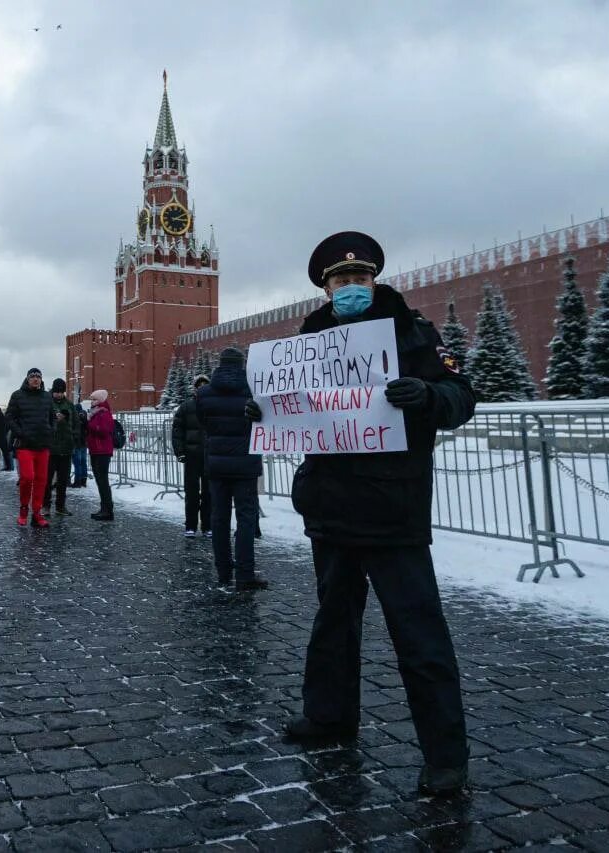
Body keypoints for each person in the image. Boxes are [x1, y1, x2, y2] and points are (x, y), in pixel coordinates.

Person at [251, 231, 475, 796]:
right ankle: (329, 716)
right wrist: (268, 407)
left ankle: (445, 756)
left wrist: (428, 397)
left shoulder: (411, 333)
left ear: (373, 281)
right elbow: (292, 409)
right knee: (333, 621)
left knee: (418, 633)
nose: (349, 287)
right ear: (325, 289)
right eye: (339, 281)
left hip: (393, 509)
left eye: (358, 278)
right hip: (331, 505)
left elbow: (460, 396)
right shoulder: (309, 342)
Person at [195, 351, 267, 590]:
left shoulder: (203, 394)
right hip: (246, 463)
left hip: (216, 464)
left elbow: (203, 423)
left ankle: (223, 572)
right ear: (242, 365)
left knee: (219, 518)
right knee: (246, 519)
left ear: (219, 365)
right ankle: (245, 574)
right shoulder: (253, 391)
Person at [5, 368, 54, 528]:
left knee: (42, 480)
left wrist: (51, 430)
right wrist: (20, 432)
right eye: (32, 376)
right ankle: (23, 509)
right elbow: (9, 417)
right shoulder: (17, 395)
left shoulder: (47, 396)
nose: (36, 379)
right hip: (25, 444)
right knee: (27, 477)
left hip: (43, 444)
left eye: (38, 376)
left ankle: (37, 513)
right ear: (27, 379)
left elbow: (52, 416)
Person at [171, 374, 211, 538]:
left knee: (209, 493)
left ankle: (208, 526)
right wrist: (180, 451)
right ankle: (191, 526)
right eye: (199, 386)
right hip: (192, 456)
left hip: (209, 456)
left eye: (204, 386)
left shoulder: (213, 407)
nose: (201, 389)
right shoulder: (186, 407)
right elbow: (177, 431)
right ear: (195, 389)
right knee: (192, 492)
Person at [44, 378, 75, 516]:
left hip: (66, 448)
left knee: (63, 480)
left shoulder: (69, 404)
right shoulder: (47, 403)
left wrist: (75, 438)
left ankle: (60, 506)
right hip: (50, 448)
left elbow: (76, 424)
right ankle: (45, 506)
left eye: (61, 392)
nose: (59, 394)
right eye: (56, 392)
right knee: (47, 479)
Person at [85, 389, 116, 521]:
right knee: (100, 481)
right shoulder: (94, 413)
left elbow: (103, 430)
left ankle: (107, 510)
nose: (92, 401)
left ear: (101, 400)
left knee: (103, 481)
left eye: (94, 399)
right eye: (91, 399)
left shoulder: (104, 413)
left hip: (102, 451)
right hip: (96, 450)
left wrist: (89, 423)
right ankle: (104, 508)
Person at [70, 401, 88, 487]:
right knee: (83, 462)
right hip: (84, 443)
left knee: (77, 463)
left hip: (77, 443)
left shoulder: (75, 418)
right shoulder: (85, 417)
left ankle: (77, 481)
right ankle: (84, 480)